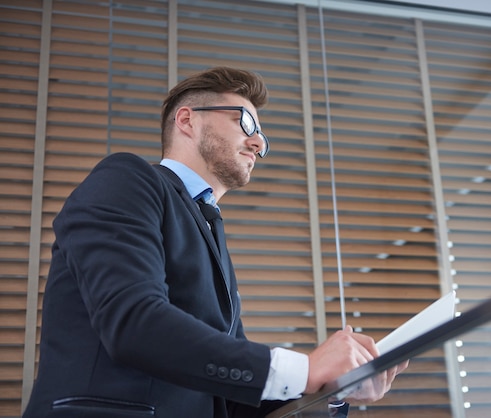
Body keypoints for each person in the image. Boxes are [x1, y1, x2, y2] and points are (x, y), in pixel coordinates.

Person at [23, 66, 406, 418]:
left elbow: (228, 400)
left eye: (261, 136)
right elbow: (134, 322)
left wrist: (332, 387)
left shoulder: (211, 230)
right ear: (187, 120)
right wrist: (306, 368)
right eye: (245, 122)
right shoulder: (127, 178)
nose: (258, 143)